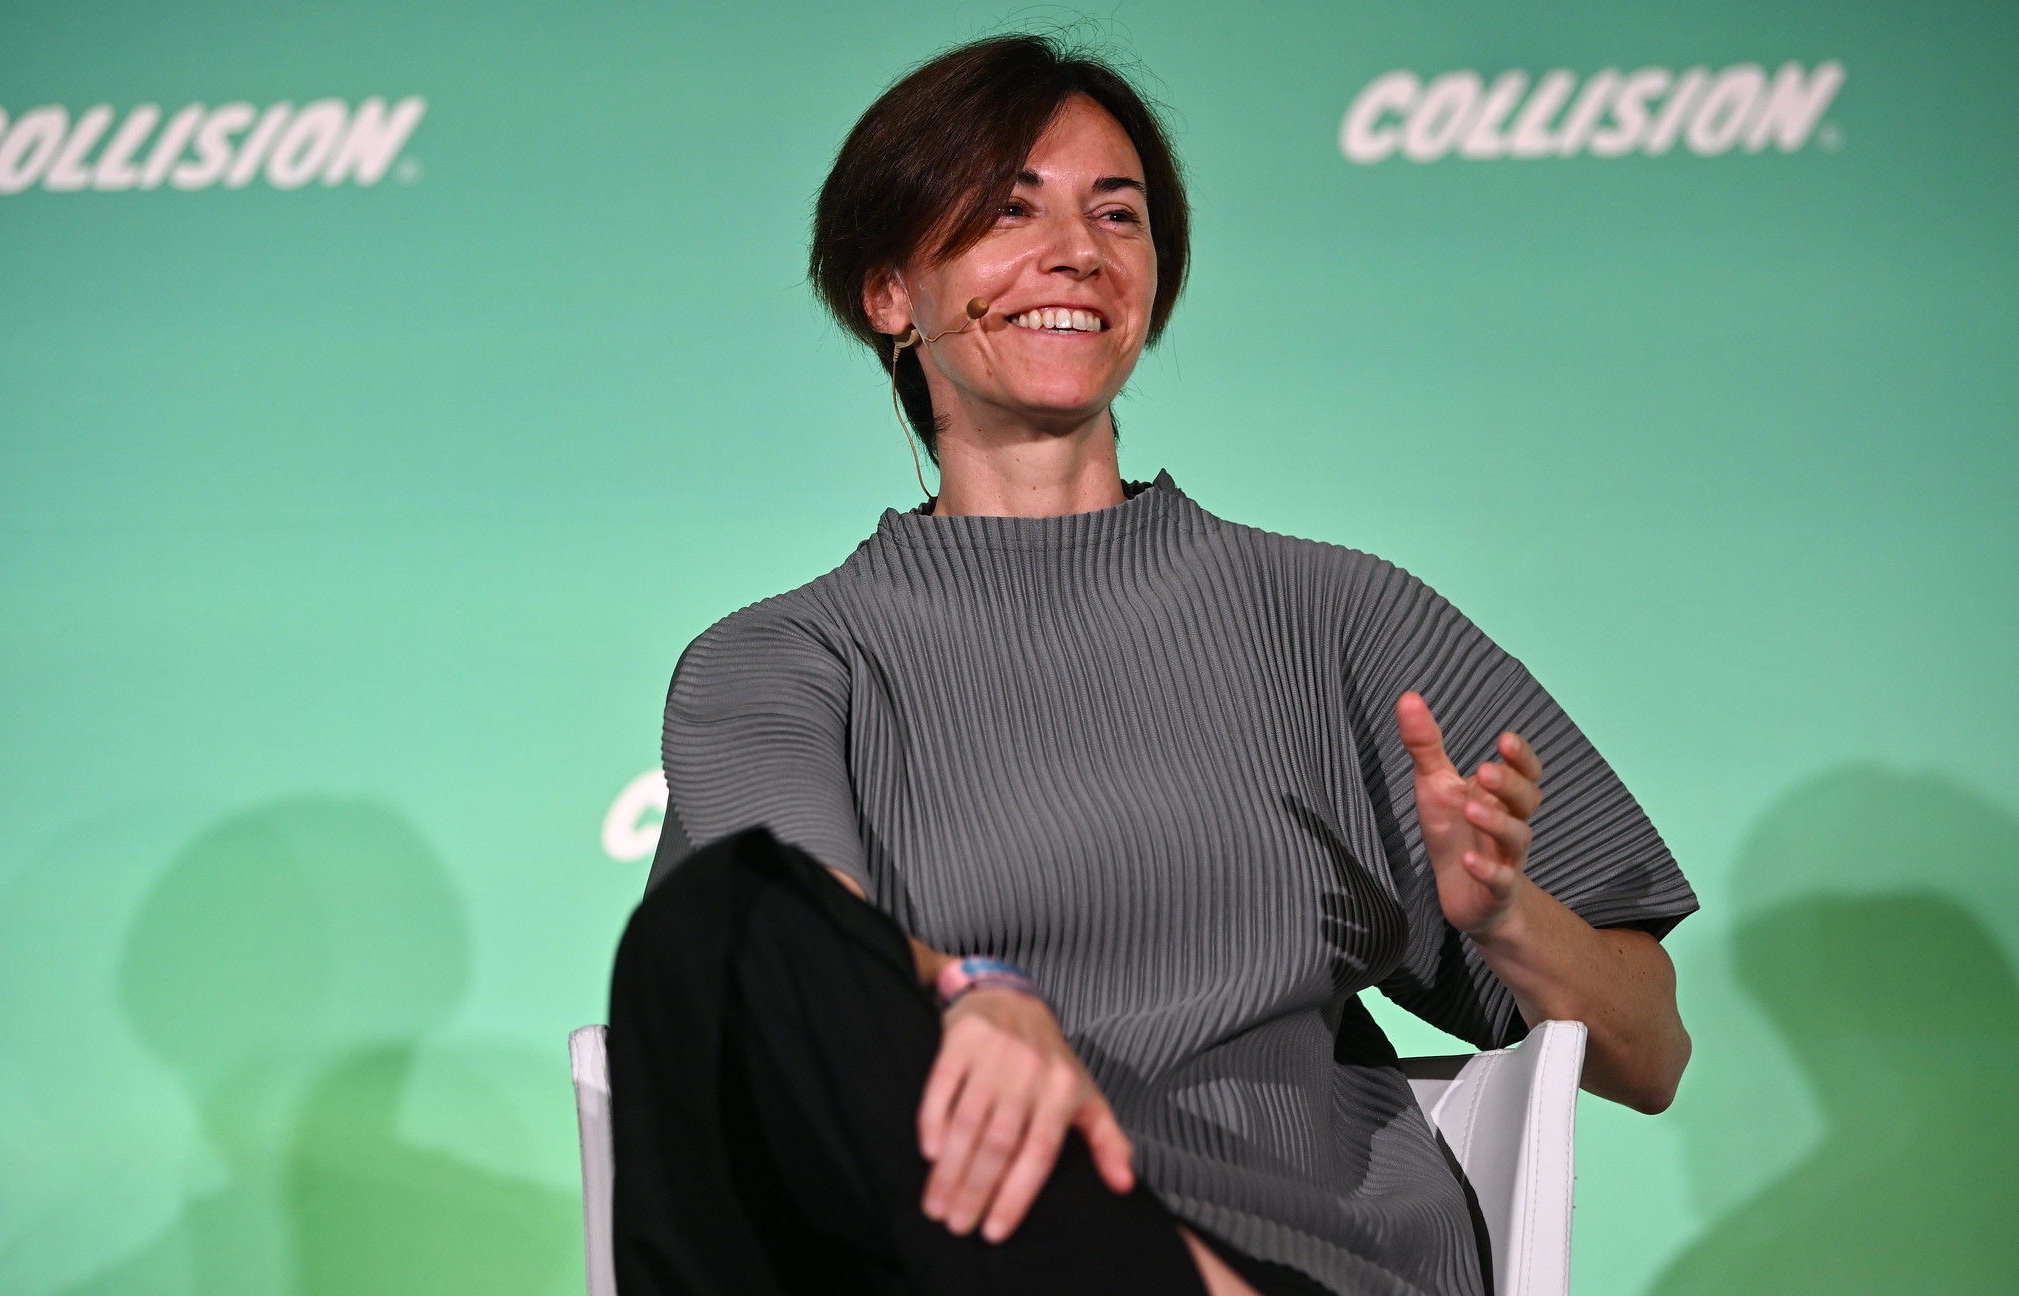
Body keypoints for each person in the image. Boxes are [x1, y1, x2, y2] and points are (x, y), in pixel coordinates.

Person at [608, 33, 1696, 1296]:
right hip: (962, 1240)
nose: (1077, 250)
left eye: (1114, 214)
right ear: (887, 292)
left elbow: (1652, 1056)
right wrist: (980, 992)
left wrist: (1505, 916)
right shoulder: (782, 660)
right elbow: (781, 931)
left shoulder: (1325, 612)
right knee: (721, 920)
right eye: (1008, 209)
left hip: (1296, 1257)